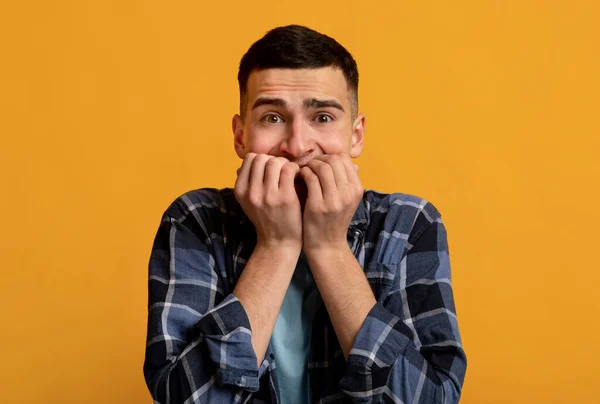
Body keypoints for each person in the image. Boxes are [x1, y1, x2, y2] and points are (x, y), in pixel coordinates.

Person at [143, 24, 467, 404]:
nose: (297, 146)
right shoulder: (196, 220)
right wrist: (276, 245)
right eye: (272, 118)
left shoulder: (409, 223)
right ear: (240, 135)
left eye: (323, 118)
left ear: (356, 135)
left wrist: (329, 248)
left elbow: (430, 399)